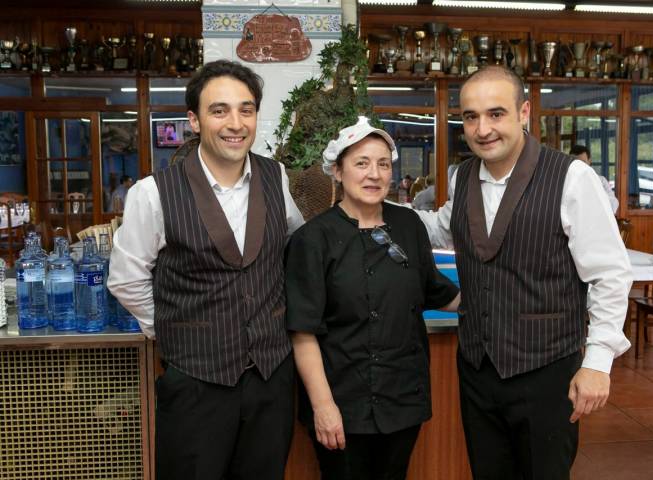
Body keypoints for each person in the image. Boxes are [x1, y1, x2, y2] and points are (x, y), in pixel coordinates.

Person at [415, 65, 632, 479]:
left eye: (496, 114)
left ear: (524, 112)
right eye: (471, 117)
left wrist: (598, 362)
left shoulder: (572, 177)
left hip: (546, 370)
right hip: (477, 368)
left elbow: (610, 274)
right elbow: (440, 226)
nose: (482, 129)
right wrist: (374, 209)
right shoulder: (462, 178)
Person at [108, 60, 304, 480]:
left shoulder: (276, 176)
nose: (235, 123)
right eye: (220, 110)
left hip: (271, 378)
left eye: (246, 110)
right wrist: (175, 331)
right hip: (195, 383)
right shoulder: (153, 192)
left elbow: (292, 244)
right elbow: (126, 279)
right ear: (194, 120)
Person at [285, 116, 460, 480]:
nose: (374, 174)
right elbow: (303, 332)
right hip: (341, 401)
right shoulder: (312, 239)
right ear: (338, 170)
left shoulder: (408, 225)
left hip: (403, 397)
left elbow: (435, 291)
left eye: (382, 164)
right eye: (361, 163)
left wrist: (504, 298)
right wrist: (323, 405)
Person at [569, 144, 619, 214]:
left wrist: (595, 187)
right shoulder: (565, 182)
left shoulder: (601, 180)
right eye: (575, 162)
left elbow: (613, 206)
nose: (579, 166)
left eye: (583, 162)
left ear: (589, 161)